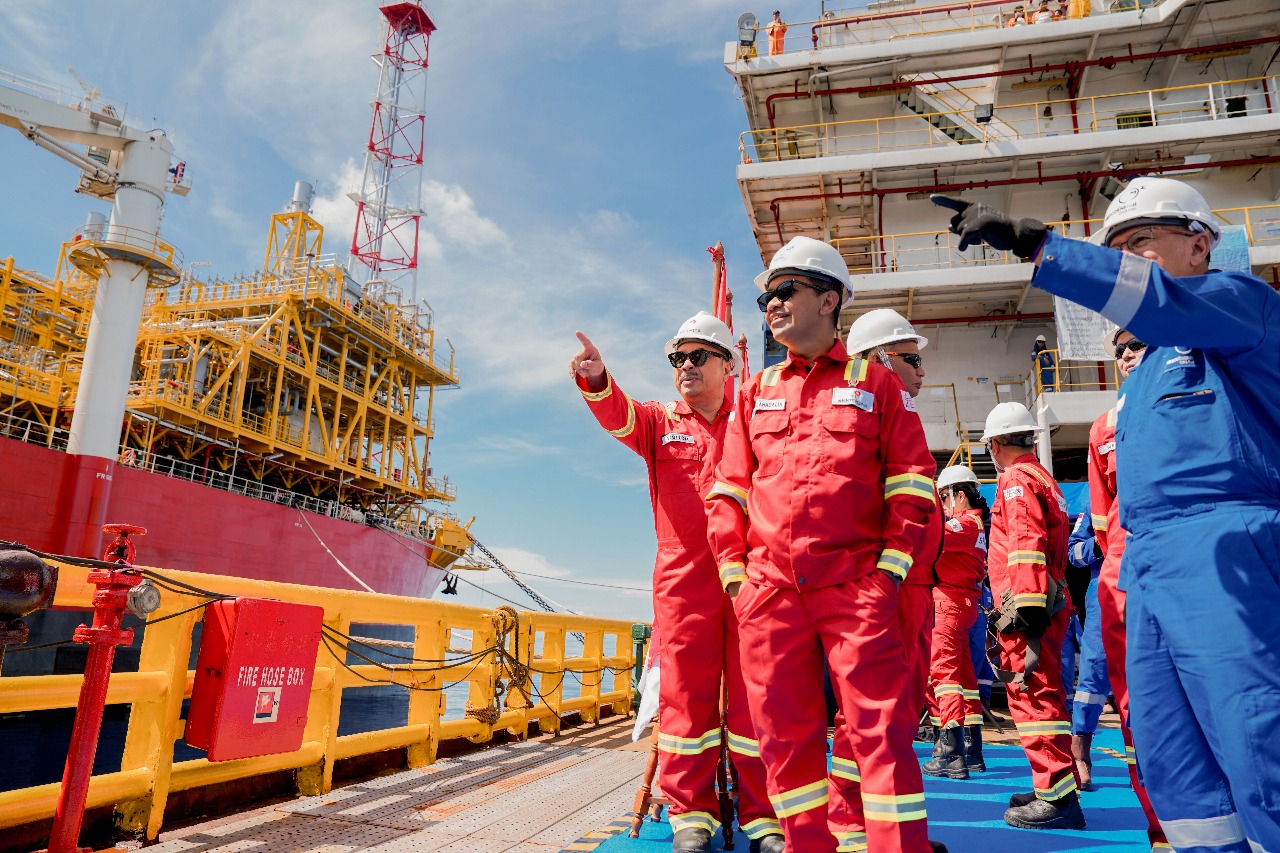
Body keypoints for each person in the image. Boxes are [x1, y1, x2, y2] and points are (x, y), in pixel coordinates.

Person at [934, 175, 1280, 852]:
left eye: (1139, 241)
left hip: (1226, 552)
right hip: (1146, 569)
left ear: (1200, 244)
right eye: (1115, 246)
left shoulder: (1244, 310)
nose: (1125, 257)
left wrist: (1037, 244)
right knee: (1175, 765)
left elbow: (1157, 301)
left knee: (1258, 740)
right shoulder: (1143, 374)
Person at [706, 236, 938, 853]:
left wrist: (885, 579)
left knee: (880, 735)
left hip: (855, 590)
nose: (771, 304)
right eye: (766, 296)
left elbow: (914, 488)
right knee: (784, 740)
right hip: (771, 596)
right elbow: (727, 492)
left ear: (829, 298)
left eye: (786, 291)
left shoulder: (878, 386)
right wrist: (737, 579)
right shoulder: (754, 392)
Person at [570, 313, 781, 853]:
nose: (684, 367)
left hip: (750, 577)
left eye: (697, 357)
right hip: (683, 581)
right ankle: (693, 815)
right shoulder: (660, 420)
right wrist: (597, 379)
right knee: (686, 699)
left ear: (727, 365)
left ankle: (762, 817)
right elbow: (619, 418)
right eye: (676, 359)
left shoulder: (754, 418)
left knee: (759, 696)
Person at [831, 310, 945, 838]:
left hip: (913, 590)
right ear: (879, 359)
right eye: (912, 357)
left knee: (896, 714)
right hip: (889, 589)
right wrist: (885, 581)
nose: (922, 369)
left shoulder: (896, 417)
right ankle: (855, 828)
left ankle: (869, 829)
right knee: (873, 714)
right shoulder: (866, 424)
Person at [980, 401, 1083, 830]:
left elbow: (1025, 541)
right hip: (1046, 599)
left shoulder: (1016, 481)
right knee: (1046, 694)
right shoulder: (1043, 477)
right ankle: (1056, 787)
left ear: (996, 443)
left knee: (1033, 695)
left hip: (1030, 605)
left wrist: (1026, 606)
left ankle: (1056, 796)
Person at [1087, 326, 1168, 849]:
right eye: (1119, 350)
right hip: (1125, 576)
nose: (1127, 356)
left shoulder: (1203, 399)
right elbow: (1101, 518)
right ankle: (1165, 827)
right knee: (1140, 708)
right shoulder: (1102, 429)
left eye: (1138, 345)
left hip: (1197, 562)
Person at [922, 465, 989, 779]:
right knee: (964, 678)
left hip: (947, 604)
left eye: (944, 498)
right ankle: (972, 749)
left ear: (960, 495)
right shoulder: (976, 525)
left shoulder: (963, 525)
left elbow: (930, 536)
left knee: (942, 675)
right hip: (964, 605)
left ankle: (951, 754)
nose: (943, 506)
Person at [1065, 511, 1108, 792]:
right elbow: (1074, 553)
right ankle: (1080, 751)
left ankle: (1145, 761)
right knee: (1094, 670)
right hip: (1105, 585)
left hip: (1152, 577)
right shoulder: (1095, 503)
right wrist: (1102, 543)